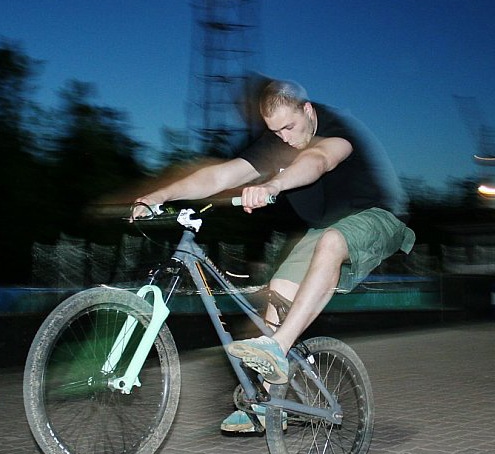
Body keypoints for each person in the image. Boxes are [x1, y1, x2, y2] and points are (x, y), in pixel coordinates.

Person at [131, 80, 415, 433]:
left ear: (307, 111)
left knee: (332, 242)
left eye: (289, 127)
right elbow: (220, 175)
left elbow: (318, 161)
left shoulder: (335, 130)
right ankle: (267, 405)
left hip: (376, 218)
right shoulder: (277, 141)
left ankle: (277, 347)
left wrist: (272, 185)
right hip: (324, 230)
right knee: (279, 290)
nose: (284, 138)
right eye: (275, 131)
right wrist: (159, 195)